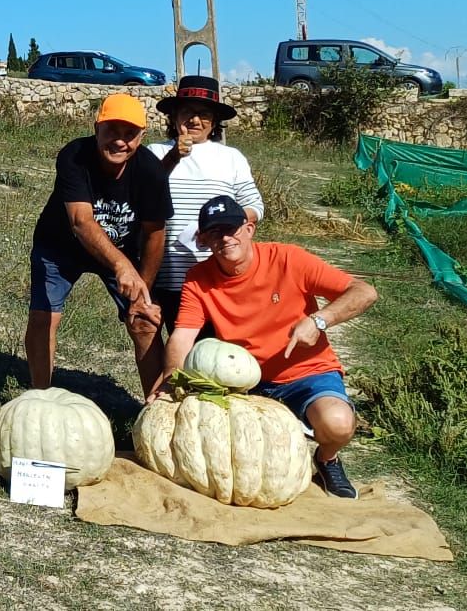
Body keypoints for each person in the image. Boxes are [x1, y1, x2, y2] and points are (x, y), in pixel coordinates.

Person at [160, 195, 379, 498]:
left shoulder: (289, 259)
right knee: (230, 456)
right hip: (243, 382)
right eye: (214, 232)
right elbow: (183, 336)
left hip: (307, 373)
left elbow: (364, 292)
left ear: (249, 229)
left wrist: (319, 321)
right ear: (204, 241)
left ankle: (327, 458)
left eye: (231, 229)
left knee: (338, 424)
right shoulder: (198, 280)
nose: (225, 238)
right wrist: (171, 381)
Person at [27, 93, 173, 396]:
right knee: (44, 318)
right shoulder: (74, 156)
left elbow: (155, 233)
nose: (120, 141)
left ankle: (156, 406)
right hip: (60, 246)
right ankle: (39, 397)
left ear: (142, 136)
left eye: (129, 134)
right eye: (112, 131)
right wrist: (121, 266)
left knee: (145, 320)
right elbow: (80, 221)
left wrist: (142, 289)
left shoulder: (151, 171)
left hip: (123, 248)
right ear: (97, 129)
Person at [147, 76, 263, 324]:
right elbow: (143, 194)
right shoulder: (155, 152)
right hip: (167, 270)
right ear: (174, 117)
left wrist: (218, 225)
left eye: (204, 114)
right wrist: (173, 157)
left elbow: (254, 206)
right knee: (176, 336)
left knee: (217, 340)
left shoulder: (231, 157)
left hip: (217, 269)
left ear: (215, 121)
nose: (195, 120)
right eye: (187, 112)